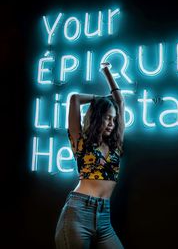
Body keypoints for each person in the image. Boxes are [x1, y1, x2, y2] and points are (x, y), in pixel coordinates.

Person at [55, 63, 125, 249]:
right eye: (107, 117)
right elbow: (75, 99)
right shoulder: (81, 142)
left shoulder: (115, 146)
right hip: (78, 213)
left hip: (104, 217)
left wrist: (107, 71)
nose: (112, 123)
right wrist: (100, 99)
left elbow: (120, 101)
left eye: (114, 119)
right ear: (97, 117)